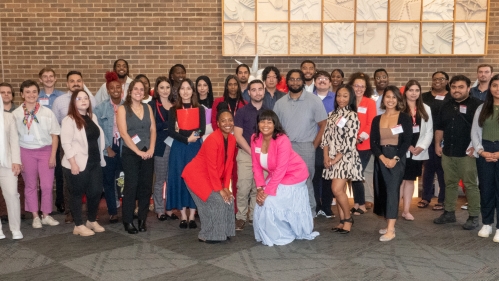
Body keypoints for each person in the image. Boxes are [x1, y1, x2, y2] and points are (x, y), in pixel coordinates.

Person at [251, 110, 319, 246]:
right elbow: (256, 166)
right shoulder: (254, 138)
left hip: (294, 174)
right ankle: (270, 232)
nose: (265, 125)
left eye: (269, 122)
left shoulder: (282, 139)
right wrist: (260, 188)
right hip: (276, 174)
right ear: (258, 124)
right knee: (261, 200)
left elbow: (281, 168)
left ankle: (283, 233)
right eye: (262, 121)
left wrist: (267, 191)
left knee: (269, 201)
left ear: (275, 124)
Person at [273, 69, 327, 216]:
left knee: (306, 181)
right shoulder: (280, 103)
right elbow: (275, 128)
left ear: (303, 82)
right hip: (285, 148)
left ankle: (310, 211)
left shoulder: (314, 100)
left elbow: (323, 124)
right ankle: (290, 211)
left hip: (306, 147)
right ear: (287, 82)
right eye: (292, 79)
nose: (295, 82)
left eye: (298, 79)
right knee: (285, 181)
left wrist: (313, 146)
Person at [433, 75, 482, 230]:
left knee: (470, 185)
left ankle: (474, 216)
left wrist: (476, 146)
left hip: (467, 153)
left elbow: (483, 128)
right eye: (454, 87)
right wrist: (437, 144)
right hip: (448, 152)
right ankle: (449, 213)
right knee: (449, 184)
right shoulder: (445, 105)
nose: (456, 90)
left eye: (461, 87)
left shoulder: (478, 105)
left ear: (468, 88)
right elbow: (439, 127)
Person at [182, 103, 237, 243]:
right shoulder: (212, 139)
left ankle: (225, 231)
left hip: (211, 177)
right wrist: (220, 189)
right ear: (217, 123)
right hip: (196, 176)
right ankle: (208, 235)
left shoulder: (232, 139)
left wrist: (226, 187)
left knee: (229, 199)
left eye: (230, 120)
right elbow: (212, 167)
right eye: (223, 120)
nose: (227, 123)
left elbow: (229, 165)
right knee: (216, 201)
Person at [12, 80, 61, 229]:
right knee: (31, 185)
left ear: (38, 93)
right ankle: (35, 216)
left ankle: (46, 215)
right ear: (22, 95)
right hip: (26, 151)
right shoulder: (16, 114)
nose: (31, 95)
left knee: (46, 186)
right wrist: (18, 159)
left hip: (46, 151)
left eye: (34, 91)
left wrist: (53, 155)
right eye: (27, 92)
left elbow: (55, 135)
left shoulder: (47, 112)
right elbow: (14, 139)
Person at [52, 70, 98, 223]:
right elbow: (58, 128)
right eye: (72, 81)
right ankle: (71, 213)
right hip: (70, 151)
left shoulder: (90, 102)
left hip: (90, 155)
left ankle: (90, 217)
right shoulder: (60, 102)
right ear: (67, 84)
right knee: (71, 186)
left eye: (79, 80)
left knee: (93, 188)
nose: (76, 83)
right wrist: (72, 160)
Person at [61, 90, 106, 236]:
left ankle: (91, 220)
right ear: (73, 102)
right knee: (77, 194)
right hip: (77, 163)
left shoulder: (92, 117)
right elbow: (66, 143)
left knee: (96, 192)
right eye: (79, 98)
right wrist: (73, 163)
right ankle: (78, 225)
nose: (83, 101)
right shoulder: (69, 120)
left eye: (86, 98)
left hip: (94, 161)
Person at [371, 86, 412, 242]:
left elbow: (407, 141)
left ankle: (391, 230)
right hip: (381, 158)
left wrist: (394, 159)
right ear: (383, 99)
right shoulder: (377, 119)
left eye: (394, 97)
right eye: (388, 97)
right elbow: (373, 142)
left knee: (393, 191)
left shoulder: (404, 118)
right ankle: (389, 223)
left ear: (398, 100)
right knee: (382, 190)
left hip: (397, 158)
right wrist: (382, 158)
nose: (390, 100)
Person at [321, 84, 363, 233]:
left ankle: (348, 219)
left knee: (336, 189)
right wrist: (326, 156)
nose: (341, 99)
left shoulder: (352, 115)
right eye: (339, 95)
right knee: (339, 191)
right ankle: (341, 220)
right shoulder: (332, 114)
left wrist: (335, 159)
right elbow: (325, 138)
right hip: (331, 157)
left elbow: (349, 142)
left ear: (350, 97)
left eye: (345, 96)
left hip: (345, 157)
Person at [117, 79, 156, 234]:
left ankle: (142, 219)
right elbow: (124, 133)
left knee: (146, 187)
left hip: (148, 152)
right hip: (131, 154)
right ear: (130, 91)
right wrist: (138, 152)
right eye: (136, 89)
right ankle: (127, 221)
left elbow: (153, 129)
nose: (139, 92)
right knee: (131, 187)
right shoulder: (123, 109)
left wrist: (152, 148)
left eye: (142, 89)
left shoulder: (147, 107)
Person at [167, 78, 205, 229]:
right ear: (178, 92)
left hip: (195, 146)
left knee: (194, 179)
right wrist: (185, 137)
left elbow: (201, 128)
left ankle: (192, 215)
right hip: (179, 147)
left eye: (188, 88)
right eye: (182, 88)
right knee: (179, 178)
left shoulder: (199, 108)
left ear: (192, 91)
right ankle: (183, 215)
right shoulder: (173, 110)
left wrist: (191, 136)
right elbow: (171, 131)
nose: (185, 91)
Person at [233, 79, 267, 231]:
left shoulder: (269, 112)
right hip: (246, 154)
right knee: (244, 187)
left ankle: (254, 216)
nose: (257, 92)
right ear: (249, 93)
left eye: (260, 89)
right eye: (254, 90)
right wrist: (252, 152)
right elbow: (238, 135)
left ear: (264, 91)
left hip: (264, 155)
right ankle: (240, 217)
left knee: (258, 187)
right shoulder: (242, 112)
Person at [400, 80, 433, 221]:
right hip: (402, 150)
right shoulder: (399, 107)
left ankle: (406, 210)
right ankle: (392, 210)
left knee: (409, 180)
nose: (414, 93)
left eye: (417, 90)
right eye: (411, 90)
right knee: (398, 181)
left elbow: (429, 131)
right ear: (405, 92)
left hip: (417, 151)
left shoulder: (425, 108)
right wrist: (407, 145)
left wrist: (422, 147)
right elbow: (396, 130)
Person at [472, 74, 499, 242]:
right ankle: (487, 223)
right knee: (486, 189)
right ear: (490, 88)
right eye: (495, 85)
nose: (498, 89)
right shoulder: (482, 108)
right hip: (485, 151)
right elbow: (475, 132)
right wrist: (481, 151)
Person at [94, 72, 124, 223]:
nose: (115, 90)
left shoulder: (128, 106)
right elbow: (98, 129)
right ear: (108, 90)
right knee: (109, 181)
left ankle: (126, 208)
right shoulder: (100, 109)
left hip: (125, 147)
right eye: (112, 88)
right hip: (109, 148)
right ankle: (112, 211)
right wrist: (107, 147)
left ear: (122, 88)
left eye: (118, 87)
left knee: (124, 180)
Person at [420, 71, 451, 210]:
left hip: (446, 138)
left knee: (442, 169)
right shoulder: (424, 97)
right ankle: (426, 197)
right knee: (427, 169)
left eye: (441, 79)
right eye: (435, 79)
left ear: (447, 81)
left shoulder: (451, 97)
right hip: (427, 137)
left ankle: (442, 199)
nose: (437, 81)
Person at [148, 76, 178, 221]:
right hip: (160, 145)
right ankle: (159, 209)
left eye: (167, 87)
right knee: (160, 179)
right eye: (162, 87)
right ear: (156, 89)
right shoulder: (152, 105)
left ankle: (169, 208)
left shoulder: (175, 104)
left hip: (175, 145)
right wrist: (168, 125)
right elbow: (151, 126)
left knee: (170, 178)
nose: (165, 90)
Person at [347, 72, 376, 215]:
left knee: (357, 174)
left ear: (366, 88)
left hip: (364, 145)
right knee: (353, 174)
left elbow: (371, 123)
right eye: (356, 86)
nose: (359, 89)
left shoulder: (369, 102)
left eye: (362, 86)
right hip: (349, 145)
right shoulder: (348, 102)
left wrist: (358, 138)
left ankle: (363, 204)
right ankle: (357, 203)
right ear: (351, 86)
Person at [313, 70, 336, 218]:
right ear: (315, 82)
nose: (322, 81)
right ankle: (315, 206)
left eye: (325, 79)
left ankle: (327, 207)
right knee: (314, 176)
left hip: (332, 143)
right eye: (319, 78)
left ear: (330, 82)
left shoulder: (336, 98)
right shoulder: (307, 98)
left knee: (328, 175)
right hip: (312, 143)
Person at [0, 99, 23, 240]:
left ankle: (15, 229)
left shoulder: (8, 117)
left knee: (12, 195)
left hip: (7, 163)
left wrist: (16, 161)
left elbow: (14, 141)